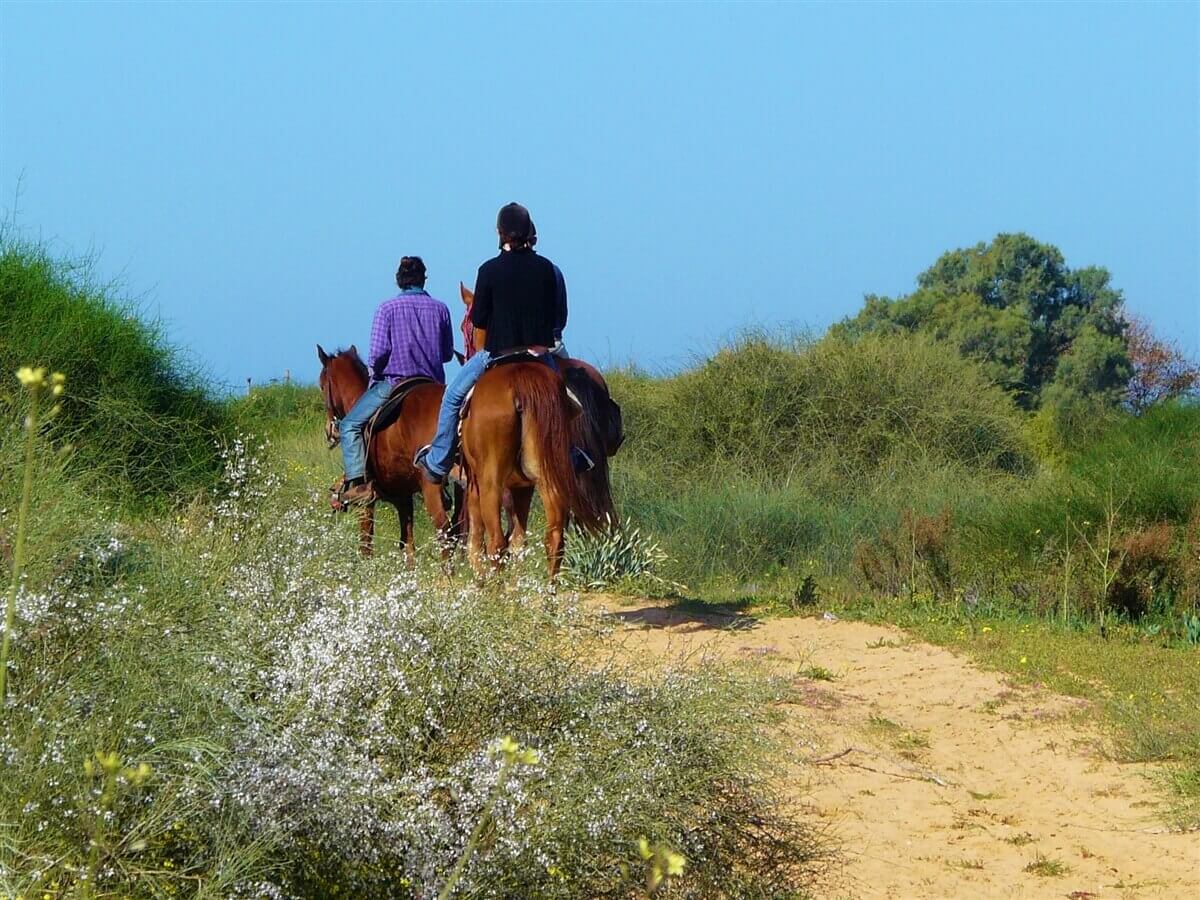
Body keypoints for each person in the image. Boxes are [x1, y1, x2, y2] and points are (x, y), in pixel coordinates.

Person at [415, 203, 562, 484]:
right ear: (528, 231)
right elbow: (555, 315)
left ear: (500, 232)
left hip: (499, 355)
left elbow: (479, 318)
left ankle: (438, 461)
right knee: (568, 403)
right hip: (538, 356)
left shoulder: (489, 270)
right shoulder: (546, 268)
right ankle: (572, 453)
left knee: (452, 397)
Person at [339, 256, 454, 505]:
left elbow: (378, 353)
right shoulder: (441, 308)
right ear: (423, 279)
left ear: (399, 280)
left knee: (349, 426)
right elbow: (446, 354)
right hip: (434, 384)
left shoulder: (386, 309)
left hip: (394, 382)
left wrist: (376, 372)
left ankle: (357, 482)